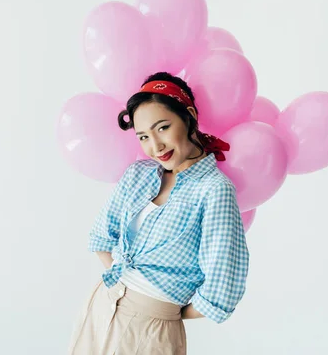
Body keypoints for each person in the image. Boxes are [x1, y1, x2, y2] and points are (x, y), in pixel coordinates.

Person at [68, 72, 250, 354]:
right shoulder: (138, 176)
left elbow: (222, 287)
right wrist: (122, 286)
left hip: (152, 330)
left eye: (163, 128)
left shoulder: (214, 190)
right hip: (100, 308)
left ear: (188, 116)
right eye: (143, 136)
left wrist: (162, 310)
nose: (155, 146)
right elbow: (102, 237)